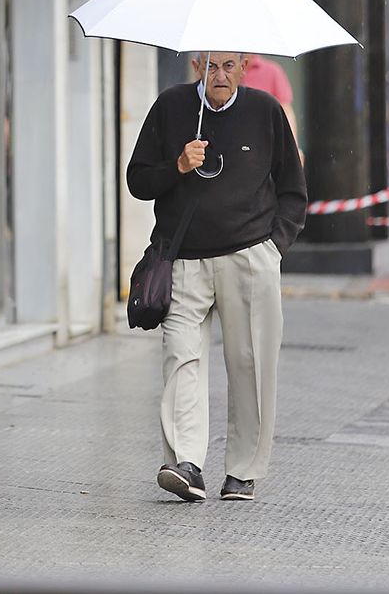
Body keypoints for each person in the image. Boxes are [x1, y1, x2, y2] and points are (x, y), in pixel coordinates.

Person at [126, 51, 306, 504]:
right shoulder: (170, 107)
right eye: (210, 65)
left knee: (250, 365)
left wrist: (273, 248)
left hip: (249, 258)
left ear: (245, 68)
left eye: (229, 66)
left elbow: (293, 189)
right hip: (183, 258)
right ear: (195, 67)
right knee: (181, 359)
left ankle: (243, 469)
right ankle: (186, 462)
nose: (219, 75)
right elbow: (137, 180)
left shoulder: (265, 111)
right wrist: (178, 166)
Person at [240, 53, 300, 150]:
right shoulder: (224, 73)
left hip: (265, 144)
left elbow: (286, 112)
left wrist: (293, 147)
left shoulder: (272, 71)